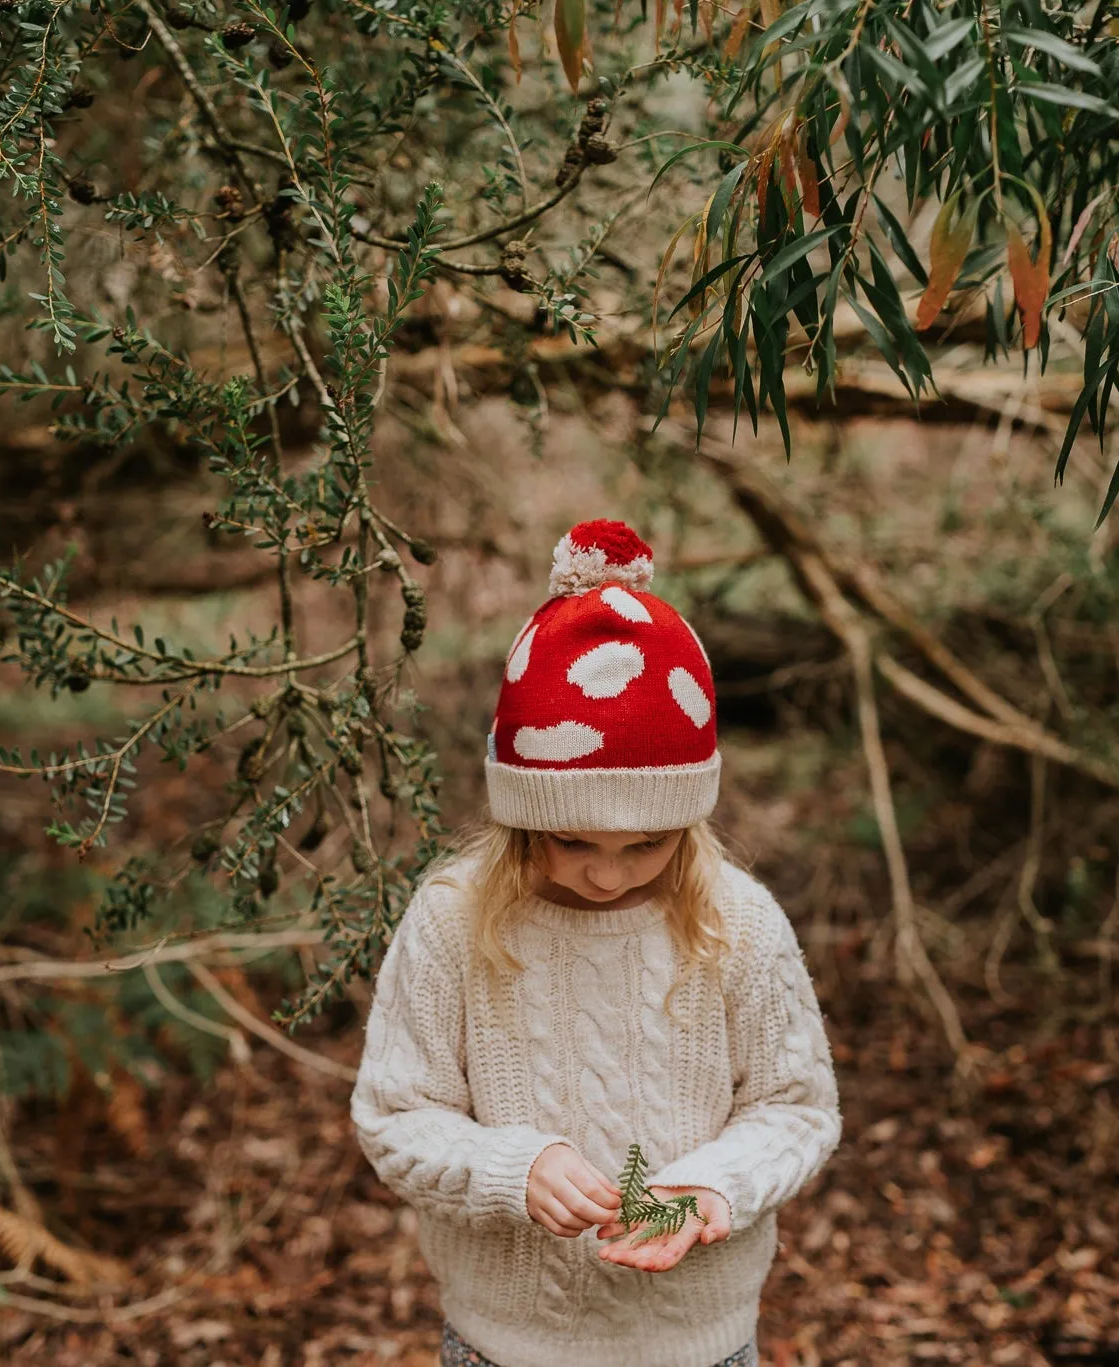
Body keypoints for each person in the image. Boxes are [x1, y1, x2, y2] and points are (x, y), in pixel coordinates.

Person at [351, 519, 842, 1367]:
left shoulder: (738, 922)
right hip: (506, 1347)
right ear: (520, 821)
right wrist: (511, 1166)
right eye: (573, 843)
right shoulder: (452, 922)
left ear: (686, 823)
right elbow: (395, 1116)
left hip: (699, 1348)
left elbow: (797, 1106)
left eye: (644, 847)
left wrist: (711, 1184)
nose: (609, 877)